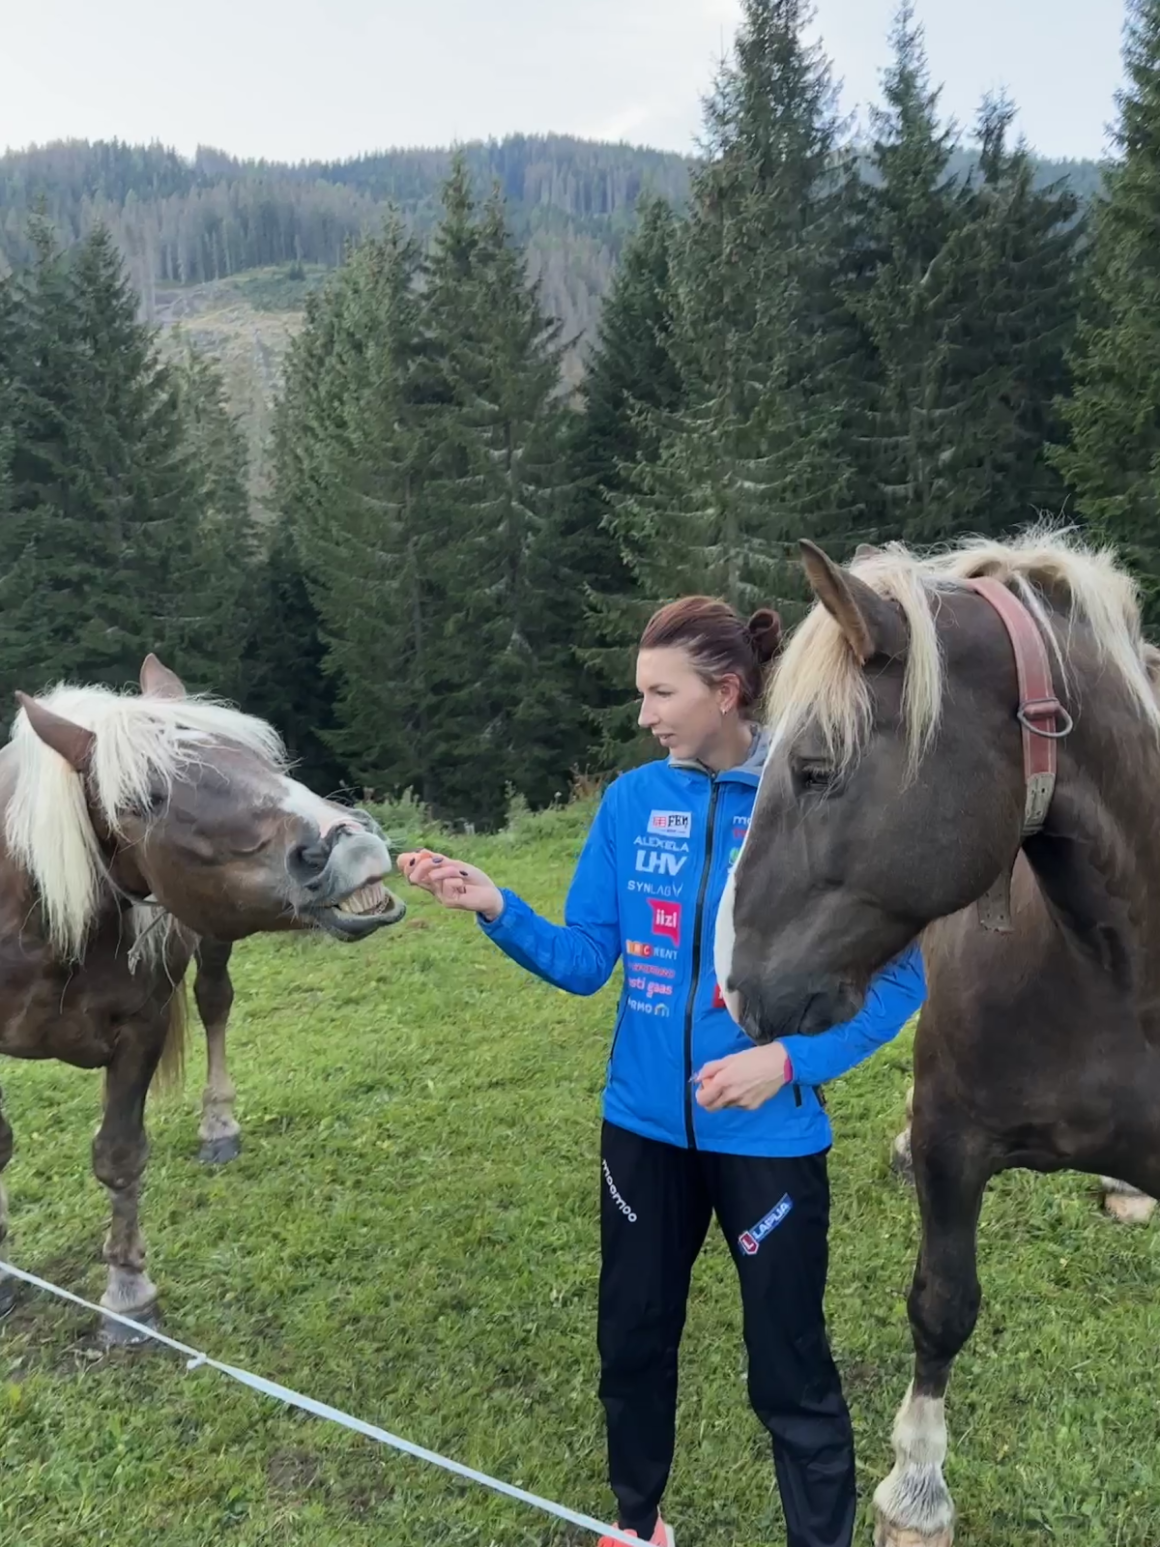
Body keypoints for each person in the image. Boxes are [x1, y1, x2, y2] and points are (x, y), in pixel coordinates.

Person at [400, 596, 926, 1547]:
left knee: (789, 1366)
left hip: (768, 1138)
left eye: (660, 693)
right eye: (640, 693)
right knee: (632, 1344)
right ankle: (636, 1524)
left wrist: (788, 1060)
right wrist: (495, 904)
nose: (644, 714)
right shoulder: (631, 802)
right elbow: (585, 960)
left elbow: (900, 979)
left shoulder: (810, 795)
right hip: (641, 1131)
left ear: (726, 691)